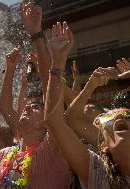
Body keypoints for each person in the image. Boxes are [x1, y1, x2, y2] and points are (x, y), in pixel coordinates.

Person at [44, 17, 130, 189]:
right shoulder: (98, 174)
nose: (122, 115)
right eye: (113, 116)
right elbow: (56, 122)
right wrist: (57, 62)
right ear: (104, 146)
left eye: (128, 114)